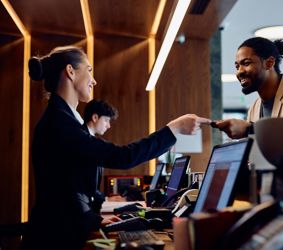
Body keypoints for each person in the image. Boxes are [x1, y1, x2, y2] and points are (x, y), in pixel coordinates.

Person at [21, 46, 210, 249]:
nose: (94, 80)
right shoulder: (60, 123)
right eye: (90, 70)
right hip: (56, 239)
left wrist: (94, 220)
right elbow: (123, 157)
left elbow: (67, 188)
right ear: (70, 71)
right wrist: (173, 129)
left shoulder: (65, 120)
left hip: (64, 230)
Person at [215, 37, 283, 139]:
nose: (239, 71)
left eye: (246, 63)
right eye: (237, 66)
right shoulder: (255, 107)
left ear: (269, 63)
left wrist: (250, 129)